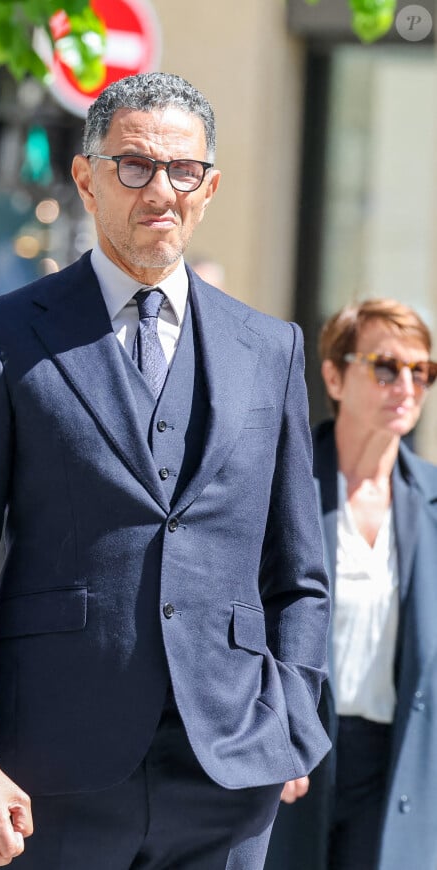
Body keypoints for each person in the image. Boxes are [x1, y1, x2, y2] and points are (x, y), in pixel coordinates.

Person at [0, 71, 330, 870]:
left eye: (184, 172)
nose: (160, 191)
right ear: (86, 177)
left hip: (231, 769)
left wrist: (292, 717)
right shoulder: (2, 336)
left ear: (209, 188)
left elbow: (299, 570)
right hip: (54, 769)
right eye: (135, 166)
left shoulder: (270, 346)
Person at [264, 298, 437, 870]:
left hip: (395, 771)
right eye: (386, 366)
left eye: (423, 371)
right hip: (293, 758)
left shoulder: (432, 503)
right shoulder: (279, 483)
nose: (407, 386)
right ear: (334, 375)